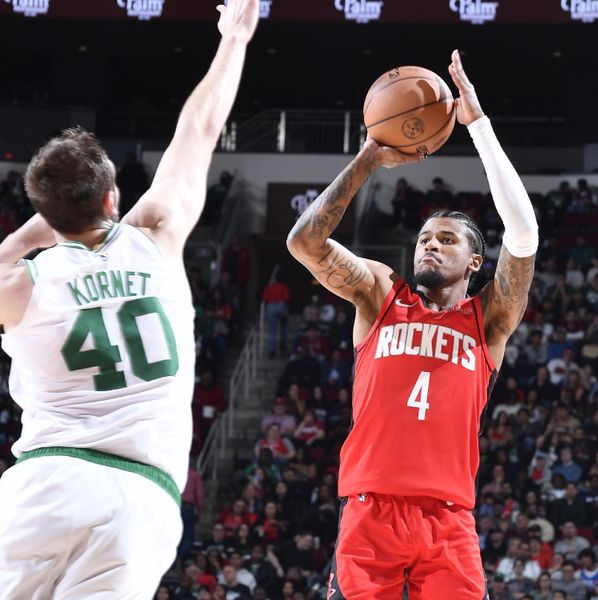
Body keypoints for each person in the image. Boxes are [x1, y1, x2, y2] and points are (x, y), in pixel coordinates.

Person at [0, 1, 260, 596]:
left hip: (44, 482)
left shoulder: (20, 286)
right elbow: (198, 129)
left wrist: (31, 233)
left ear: (44, 215)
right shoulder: (158, 234)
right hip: (139, 493)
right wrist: (235, 38)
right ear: (114, 198)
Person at [287, 49, 539, 599]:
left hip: (448, 518)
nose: (431, 244)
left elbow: (523, 235)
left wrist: (479, 127)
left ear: (475, 263)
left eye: (446, 239)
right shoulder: (380, 294)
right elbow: (304, 243)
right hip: (370, 509)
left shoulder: (490, 318)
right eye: (425, 237)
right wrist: (367, 159)